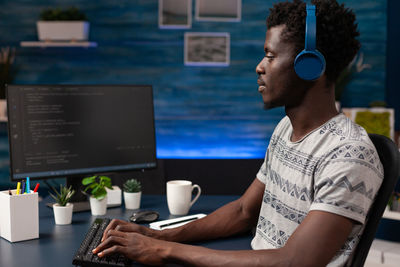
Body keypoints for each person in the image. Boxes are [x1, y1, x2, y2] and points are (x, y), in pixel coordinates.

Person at [93, 0, 383, 266]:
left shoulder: (349, 155)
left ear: (310, 67)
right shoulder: (285, 129)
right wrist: (158, 237)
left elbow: (294, 261)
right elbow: (244, 211)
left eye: (270, 56)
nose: (259, 67)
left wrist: (164, 251)